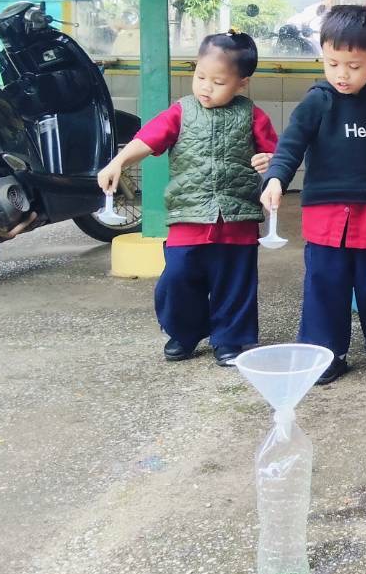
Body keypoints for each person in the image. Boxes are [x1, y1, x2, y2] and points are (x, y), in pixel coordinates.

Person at [261, 5, 366, 386]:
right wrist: (275, 179)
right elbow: (290, 145)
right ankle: (326, 353)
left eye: (353, 66)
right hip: (325, 216)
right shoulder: (316, 102)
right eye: (332, 64)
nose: (341, 75)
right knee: (325, 287)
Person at [98, 32, 277, 366]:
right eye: (200, 76)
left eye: (218, 82)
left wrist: (271, 162)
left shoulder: (253, 115)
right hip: (188, 215)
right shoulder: (181, 111)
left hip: (237, 218)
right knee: (178, 277)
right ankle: (185, 332)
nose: (206, 87)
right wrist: (118, 162)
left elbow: (278, 155)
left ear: (242, 83)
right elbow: (148, 139)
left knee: (235, 282)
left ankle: (230, 339)